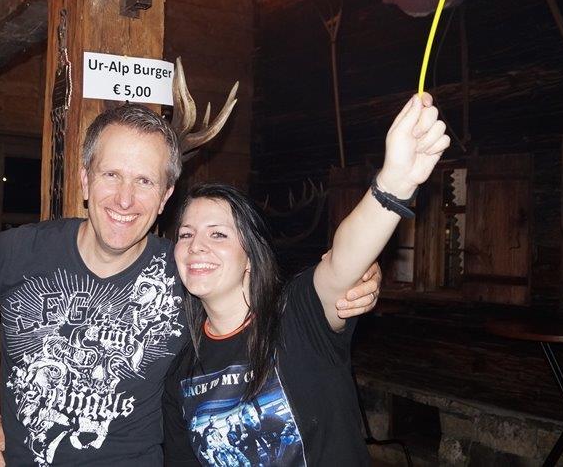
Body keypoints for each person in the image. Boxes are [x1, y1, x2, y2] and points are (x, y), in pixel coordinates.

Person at [0, 104, 381, 467]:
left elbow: (263, 295)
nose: (125, 199)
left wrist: (348, 279)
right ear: (84, 179)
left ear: (165, 197)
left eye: (144, 181)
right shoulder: (19, 251)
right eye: (111, 175)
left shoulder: (189, 268)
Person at [162, 93, 449, 466]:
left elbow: (344, 261)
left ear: (250, 255)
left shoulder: (296, 316)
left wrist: (395, 181)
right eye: (186, 234)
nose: (196, 245)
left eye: (218, 234)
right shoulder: (181, 373)